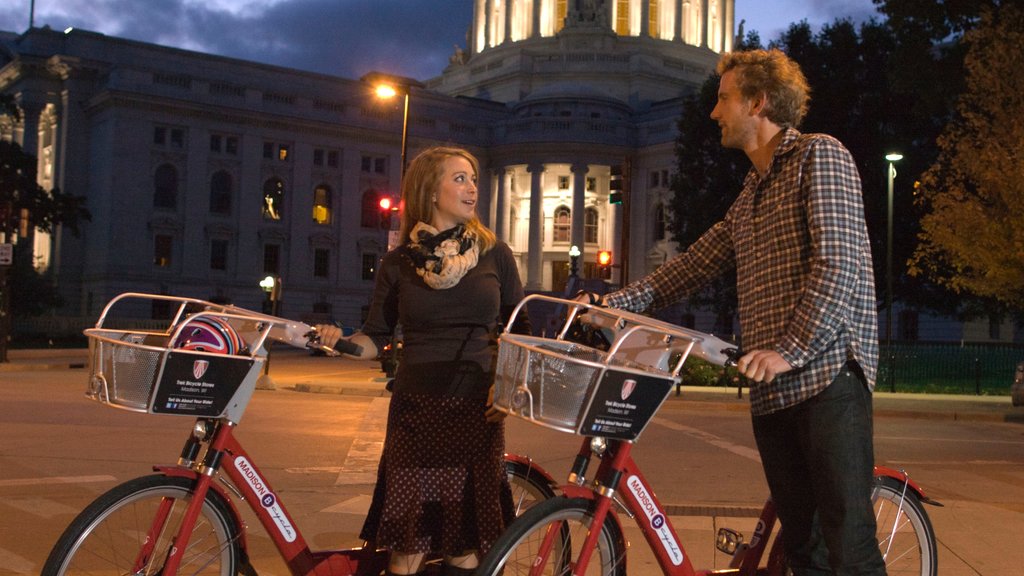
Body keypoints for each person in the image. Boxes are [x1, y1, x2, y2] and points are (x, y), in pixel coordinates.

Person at [588, 49, 886, 575]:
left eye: (724, 98)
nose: (714, 111)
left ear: (759, 101)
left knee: (850, 545)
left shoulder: (821, 155)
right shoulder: (749, 193)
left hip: (826, 379)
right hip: (773, 391)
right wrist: (612, 303)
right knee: (803, 549)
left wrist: (789, 351)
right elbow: (690, 267)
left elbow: (839, 265)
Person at [317, 146, 530, 576]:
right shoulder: (398, 263)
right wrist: (338, 342)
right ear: (430, 191)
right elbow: (376, 337)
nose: (472, 187)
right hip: (417, 412)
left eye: (472, 178)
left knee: (464, 545)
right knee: (407, 546)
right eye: (459, 178)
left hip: (476, 408)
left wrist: (507, 386)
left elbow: (520, 333)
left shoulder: (495, 254)